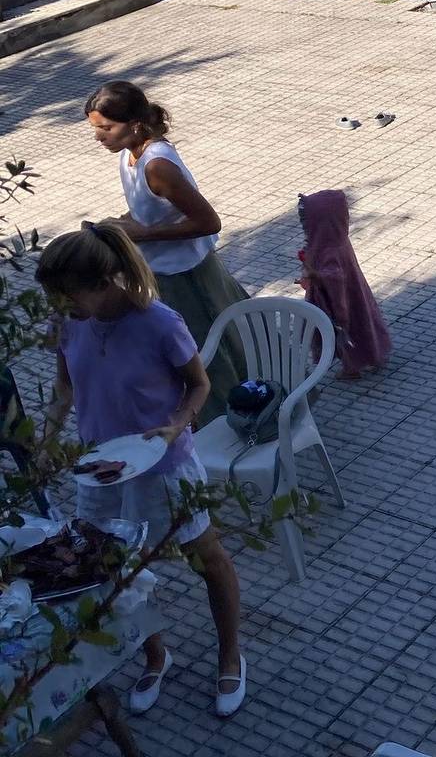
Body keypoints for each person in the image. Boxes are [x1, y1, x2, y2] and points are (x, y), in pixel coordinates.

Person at [37, 222, 246, 718]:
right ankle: (156, 654)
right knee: (115, 570)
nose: (57, 306)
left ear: (104, 282)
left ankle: (230, 653)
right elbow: (64, 388)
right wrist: (46, 441)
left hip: (163, 466)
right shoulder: (68, 321)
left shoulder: (159, 321)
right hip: (99, 472)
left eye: (65, 294)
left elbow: (197, 385)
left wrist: (174, 427)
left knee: (207, 560)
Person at [83, 82, 246, 426]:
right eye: (95, 129)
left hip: (190, 278)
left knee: (209, 356)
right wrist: (120, 223)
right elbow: (150, 212)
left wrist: (143, 233)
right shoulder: (129, 155)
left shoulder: (158, 165)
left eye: (106, 128)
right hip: (162, 275)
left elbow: (208, 221)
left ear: (136, 124)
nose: (99, 137)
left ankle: (233, 424)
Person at [297, 191, 392, 380]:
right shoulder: (336, 240)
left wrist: (314, 275)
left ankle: (351, 368)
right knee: (364, 323)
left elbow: (334, 277)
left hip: (336, 301)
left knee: (343, 332)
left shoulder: (328, 249)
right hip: (354, 295)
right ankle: (374, 354)